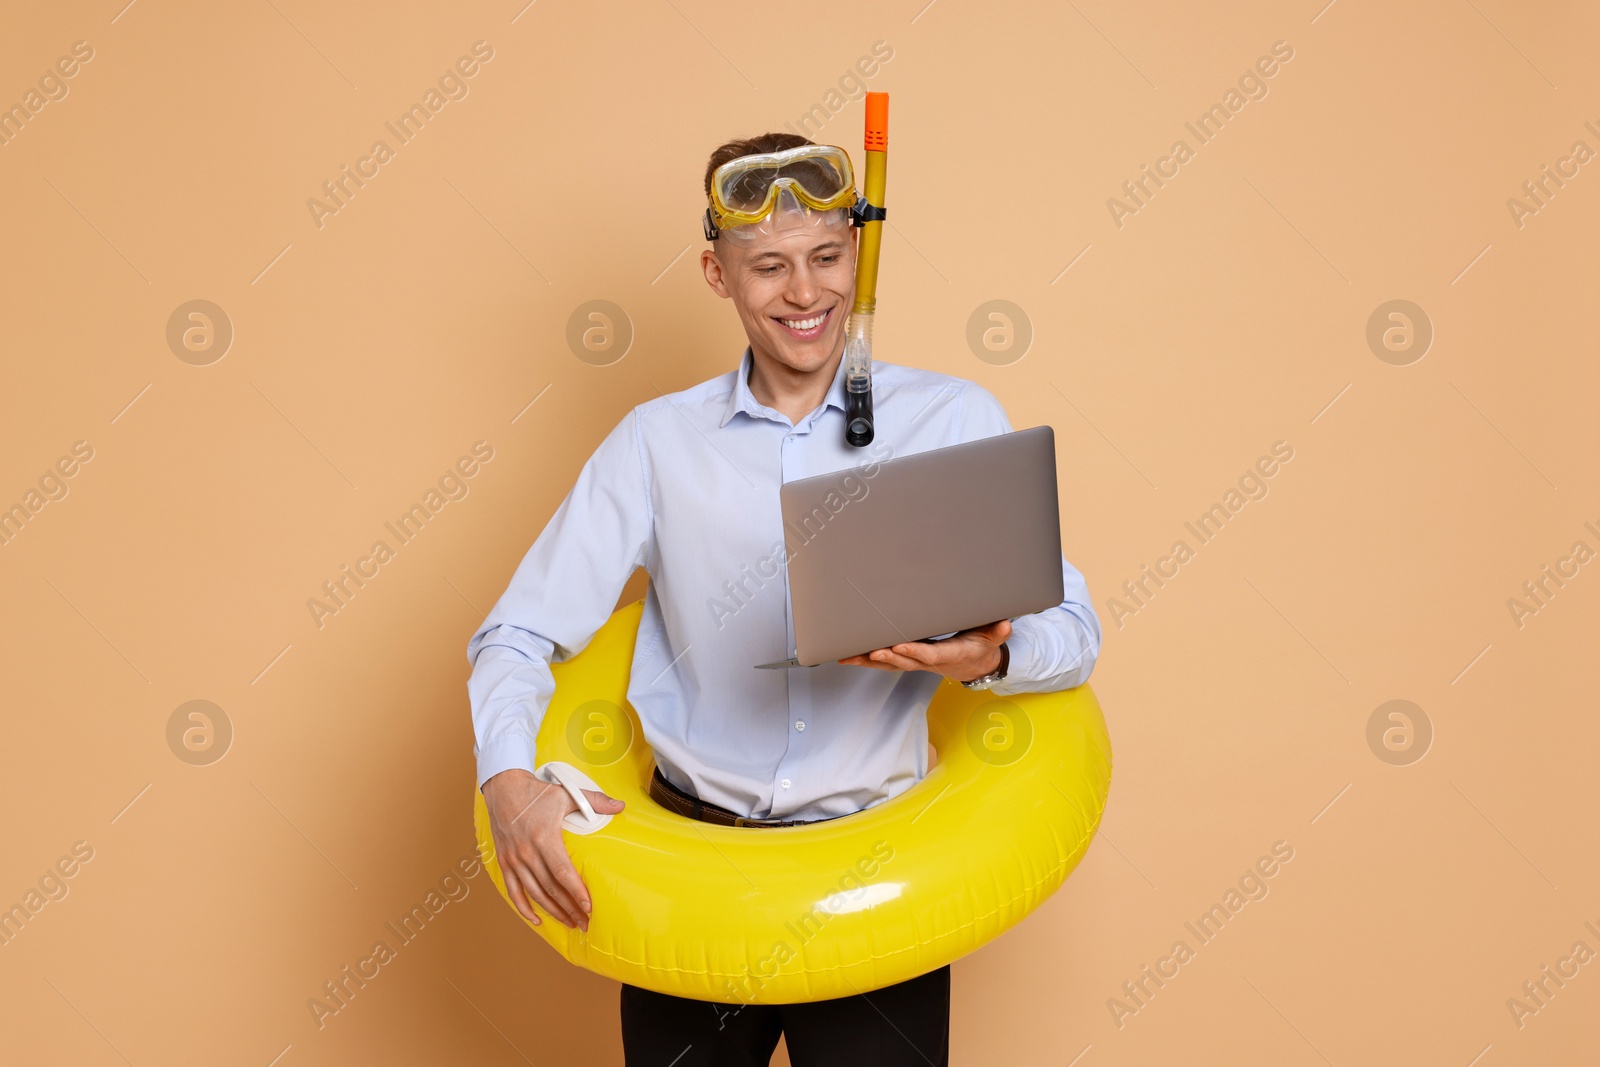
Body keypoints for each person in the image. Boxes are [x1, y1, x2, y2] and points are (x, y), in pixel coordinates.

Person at [467, 131, 1101, 1067]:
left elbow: (1073, 632)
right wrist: (509, 782)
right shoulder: (656, 442)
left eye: (826, 258)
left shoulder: (950, 422)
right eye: (768, 266)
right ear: (718, 276)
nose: (805, 294)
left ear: (860, 252)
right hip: (691, 879)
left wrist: (990, 657)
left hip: (880, 877)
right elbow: (516, 631)